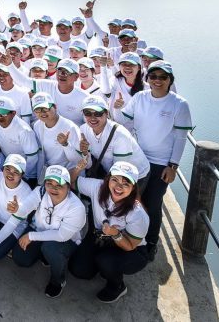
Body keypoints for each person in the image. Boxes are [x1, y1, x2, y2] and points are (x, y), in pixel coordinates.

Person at [114, 61, 192, 261]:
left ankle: (150, 242)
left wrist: (173, 166)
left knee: (153, 203)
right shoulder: (139, 97)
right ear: (147, 79)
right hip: (137, 158)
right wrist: (116, 109)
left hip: (160, 163)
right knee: (132, 200)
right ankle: (127, 236)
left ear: (170, 80)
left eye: (162, 77)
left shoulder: (179, 104)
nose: (157, 80)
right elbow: (123, 121)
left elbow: (180, 137)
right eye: (153, 76)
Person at [68, 161, 150, 303]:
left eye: (126, 184)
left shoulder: (137, 214)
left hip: (130, 248)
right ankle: (102, 266)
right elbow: (70, 181)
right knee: (78, 270)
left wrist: (116, 234)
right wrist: (77, 168)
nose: (118, 187)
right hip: (100, 237)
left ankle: (117, 285)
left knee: (106, 261)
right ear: (108, 179)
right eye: (115, 180)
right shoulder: (97, 186)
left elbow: (130, 245)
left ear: (133, 187)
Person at [2, 165, 86, 298]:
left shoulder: (76, 208)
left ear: (69, 187)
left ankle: (58, 280)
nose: (53, 188)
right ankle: (44, 256)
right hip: (40, 230)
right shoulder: (40, 191)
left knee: (50, 248)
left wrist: (31, 236)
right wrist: (17, 209)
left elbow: (61, 235)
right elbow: (25, 208)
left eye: (59, 185)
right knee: (20, 259)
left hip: (64, 241)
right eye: (49, 183)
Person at [78, 95, 150, 188]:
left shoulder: (120, 135)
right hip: (111, 172)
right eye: (87, 113)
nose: (92, 118)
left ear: (107, 113)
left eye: (98, 113)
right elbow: (88, 165)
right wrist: (84, 153)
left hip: (134, 175)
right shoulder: (83, 130)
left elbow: (120, 173)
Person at [31, 93, 82, 177]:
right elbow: (41, 153)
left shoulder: (70, 127)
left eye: (45, 108)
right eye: (37, 110)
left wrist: (65, 145)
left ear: (55, 107)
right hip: (50, 172)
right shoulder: (37, 126)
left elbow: (78, 160)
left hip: (69, 173)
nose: (42, 113)